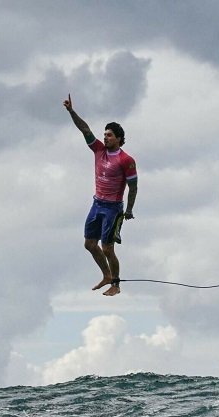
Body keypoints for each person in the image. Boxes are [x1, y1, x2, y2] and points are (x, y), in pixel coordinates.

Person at [63, 94, 138, 296]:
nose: (105, 137)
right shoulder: (98, 150)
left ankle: (116, 283)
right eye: (104, 134)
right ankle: (106, 275)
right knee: (89, 244)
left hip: (113, 208)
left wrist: (129, 210)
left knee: (107, 248)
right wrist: (71, 111)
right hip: (97, 204)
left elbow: (133, 186)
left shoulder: (126, 160)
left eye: (109, 135)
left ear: (119, 139)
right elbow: (85, 129)